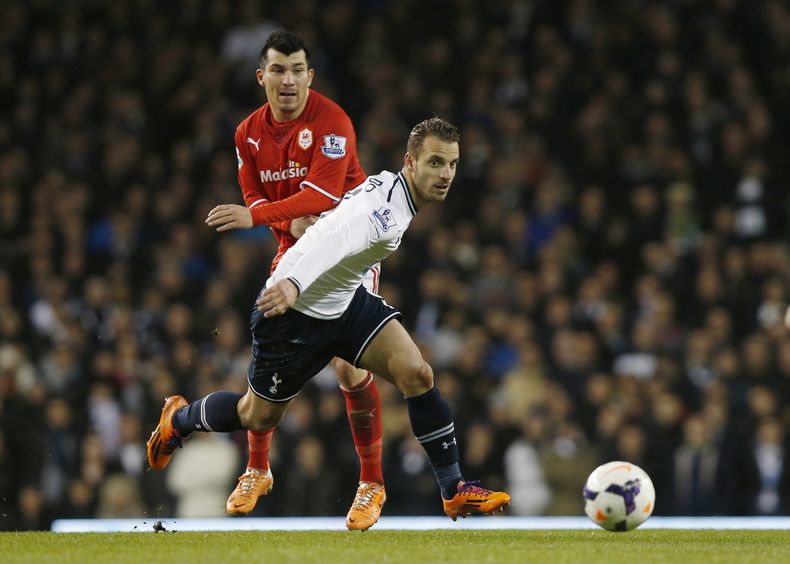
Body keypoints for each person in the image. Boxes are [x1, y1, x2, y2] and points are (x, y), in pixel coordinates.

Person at [148, 117, 511, 524]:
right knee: (256, 415)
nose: (445, 175)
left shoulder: (395, 194)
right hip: (293, 314)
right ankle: (177, 420)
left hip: (345, 303)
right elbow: (332, 239)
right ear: (410, 162)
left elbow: (334, 224)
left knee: (417, 373)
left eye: (452, 164)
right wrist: (294, 285)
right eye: (435, 163)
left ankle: (453, 490)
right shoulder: (384, 211)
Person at [203, 30, 386, 530]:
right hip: (295, 247)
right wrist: (279, 221)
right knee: (269, 332)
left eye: (297, 69)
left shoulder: (332, 121)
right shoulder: (246, 134)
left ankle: (371, 483)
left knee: (349, 368)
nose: (289, 80)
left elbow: (325, 198)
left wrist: (263, 218)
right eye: (278, 70)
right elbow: (257, 198)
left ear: (310, 75)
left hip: (350, 246)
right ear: (262, 76)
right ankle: (256, 469)